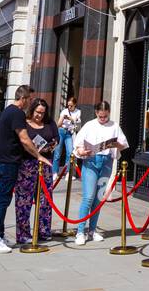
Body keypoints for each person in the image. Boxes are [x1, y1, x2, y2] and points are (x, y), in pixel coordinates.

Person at [0, 84, 50, 253]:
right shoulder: (16, 113)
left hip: (4, 161)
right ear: (23, 98)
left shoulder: (9, 110)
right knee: (3, 201)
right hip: (8, 163)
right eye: (29, 99)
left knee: (4, 200)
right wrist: (39, 155)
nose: (30, 102)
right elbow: (24, 138)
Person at [73, 101, 127, 246]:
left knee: (98, 197)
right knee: (88, 196)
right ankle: (80, 231)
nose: (103, 118)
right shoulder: (89, 125)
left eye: (105, 116)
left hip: (107, 162)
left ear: (109, 112)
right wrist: (81, 151)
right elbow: (78, 144)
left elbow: (123, 144)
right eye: (100, 116)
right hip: (91, 161)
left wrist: (117, 145)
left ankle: (92, 230)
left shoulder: (114, 126)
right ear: (96, 113)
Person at [14, 98, 59, 246]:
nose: (39, 115)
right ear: (32, 110)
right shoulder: (25, 123)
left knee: (45, 199)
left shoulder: (50, 123)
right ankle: (23, 234)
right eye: (37, 112)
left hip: (45, 163)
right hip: (27, 164)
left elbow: (56, 138)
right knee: (24, 200)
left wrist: (51, 146)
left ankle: (44, 230)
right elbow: (20, 140)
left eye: (42, 113)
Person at [53, 95, 81, 176]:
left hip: (69, 133)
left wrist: (70, 118)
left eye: (71, 105)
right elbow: (58, 124)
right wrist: (62, 118)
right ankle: (55, 172)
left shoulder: (78, 112)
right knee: (57, 153)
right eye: (68, 105)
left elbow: (78, 122)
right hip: (61, 131)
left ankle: (68, 172)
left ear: (75, 104)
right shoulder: (64, 111)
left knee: (70, 152)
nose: (69, 107)